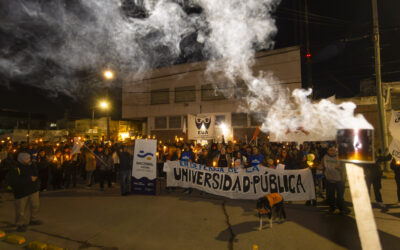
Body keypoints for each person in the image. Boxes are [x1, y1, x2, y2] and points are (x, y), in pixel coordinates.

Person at [5, 152, 41, 232]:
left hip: (33, 189)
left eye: (29, 158)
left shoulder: (31, 165)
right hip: (21, 192)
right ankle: (20, 224)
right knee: (20, 210)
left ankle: (33, 219)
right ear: (22, 159)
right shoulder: (16, 168)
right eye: (27, 158)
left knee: (35, 205)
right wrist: (29, 179)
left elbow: (37, 173)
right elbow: (15, 181)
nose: (29, 160)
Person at [322, 145, 349, 214]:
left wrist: (339, 168)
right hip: (329, 180)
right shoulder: (325, 157)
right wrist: (321, 169)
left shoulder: (339, 158)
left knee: (340, 196)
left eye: (333, 150)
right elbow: (322, 166)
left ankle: (342, 209)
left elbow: (345, 168)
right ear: (328, 151)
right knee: (331, 195)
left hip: (339, 180)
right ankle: (332, 207)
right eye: (330, 150)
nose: (332, 152)